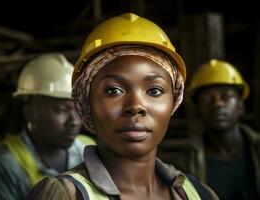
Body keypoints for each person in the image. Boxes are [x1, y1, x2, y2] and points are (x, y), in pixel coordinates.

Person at [27, 13, 218, 200]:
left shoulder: (199, 193)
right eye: (113, 90)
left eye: (154, 91)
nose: (136, 106)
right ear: (86, 104)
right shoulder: (64, 195)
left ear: (173, 102)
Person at [0, 53, 93, 200]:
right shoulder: (6, 165)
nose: (74, 121)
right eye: (61, 110)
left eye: (77, 110)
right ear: (30, 111)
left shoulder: (88, 148)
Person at [185, 59, 260, 199]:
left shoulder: (256, 148)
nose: (218, 104)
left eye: (226, 96)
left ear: (241, 106)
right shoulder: (185, 162)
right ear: (197, 111)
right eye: (207, 99)